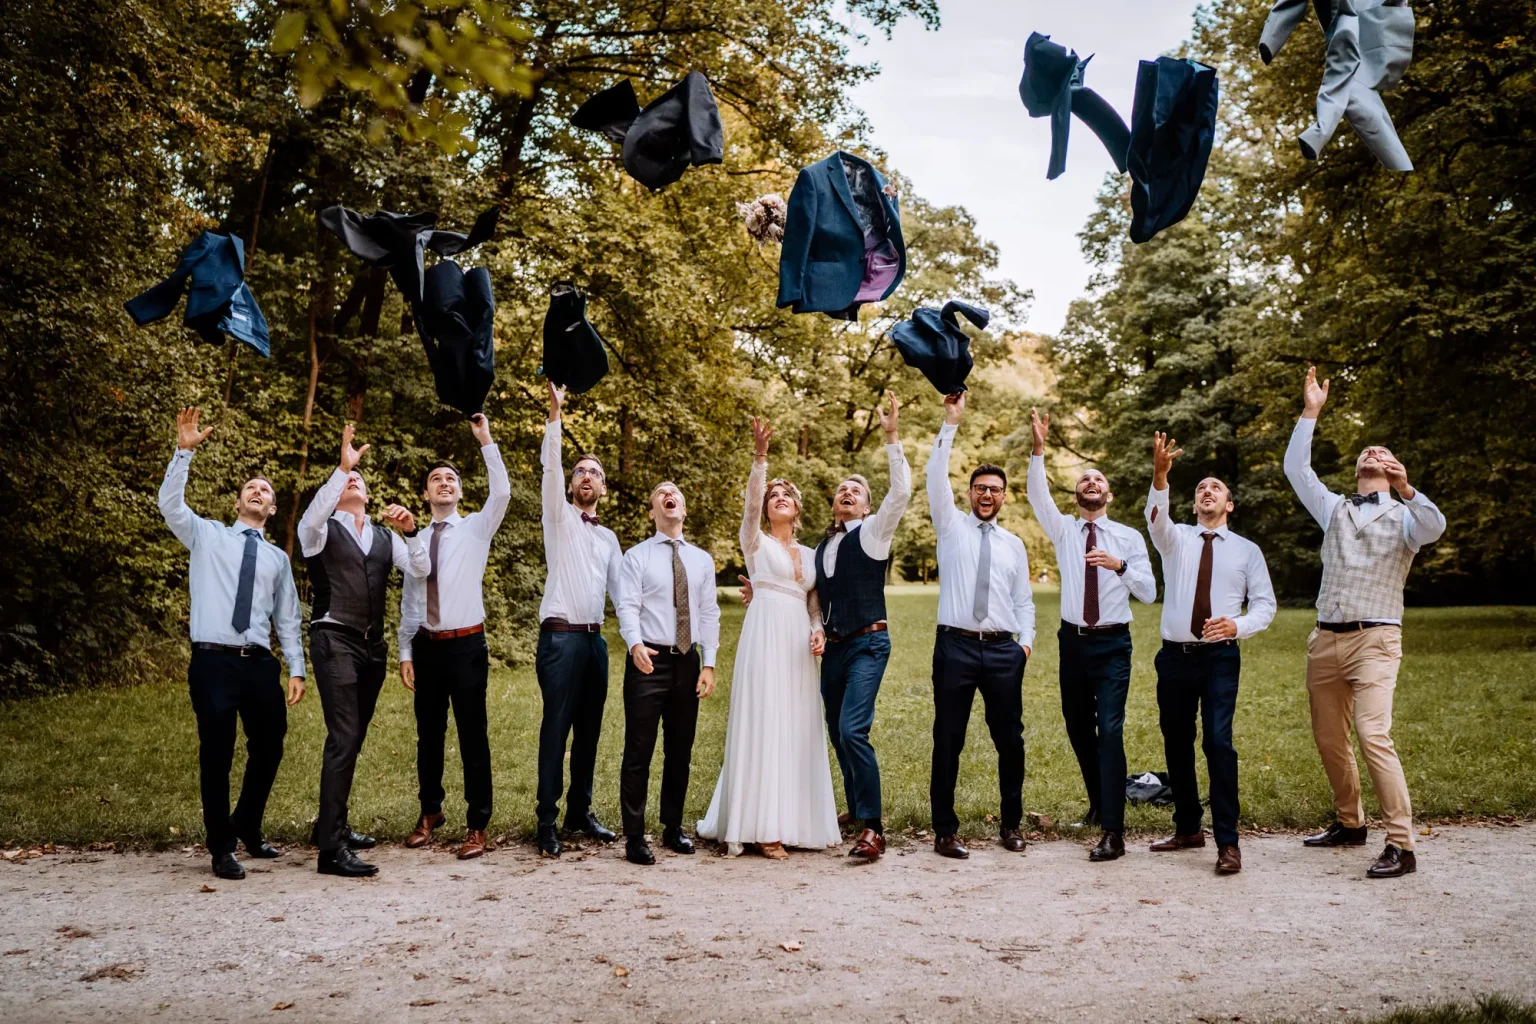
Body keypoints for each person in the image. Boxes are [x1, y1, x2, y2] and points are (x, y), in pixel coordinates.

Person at [1285, 367, 1447, 879]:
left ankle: (1402, 844)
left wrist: (1407, 488)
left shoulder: (1407, 517)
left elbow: (1435, 527)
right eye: (1366, 451)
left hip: (1376, 638)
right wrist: (1310, 412)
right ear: (1357, 468)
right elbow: (1296, 469)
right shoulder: (1333, 508)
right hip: (1324, 639)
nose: (1372, 453)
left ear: (1394, 468)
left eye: (1382, 451)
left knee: (1373, 735)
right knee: (1329, 738)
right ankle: (1350, 822)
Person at [159, 408, 305, 880]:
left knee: (270, 745)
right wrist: (183, 453)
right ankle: (222, 846)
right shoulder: (207, 535)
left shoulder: (277, 559)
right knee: (217, 754)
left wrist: (296, 667)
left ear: (273, 509)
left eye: (266, 491)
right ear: (238, 502)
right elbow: (170, 506)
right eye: (250, 488)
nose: (257, 492)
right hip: (213, 662)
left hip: (258, 664)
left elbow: (287, 617)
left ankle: (247, 822)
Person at [697, 417, 840, 858]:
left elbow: (812, 603)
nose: (778, 498)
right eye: (773, 495)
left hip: (798, 645)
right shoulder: (754, 541)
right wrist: (760, 458)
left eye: (786, 496)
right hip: (763, 636)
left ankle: (793, 821)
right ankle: (762, 826)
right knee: (764, 720)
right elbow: (749, 504)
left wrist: (817, 633)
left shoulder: (811, 554)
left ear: (797, 509)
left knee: (795, 726)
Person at [297, 424, 430, 877]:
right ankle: (331, 851)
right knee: (344, 736)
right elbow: (309, 519)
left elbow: (420, 570)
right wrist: (342, 467)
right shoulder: (319, 531)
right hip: (333, 638)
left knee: (351, 738)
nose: (354, 481)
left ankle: (330, 825)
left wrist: (411, 531)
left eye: (359, 479)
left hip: (373, 647)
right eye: (346, 481)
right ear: (335, 495)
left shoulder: (384, 538)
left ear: (369, 497)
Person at [1143, 432, 1276, 875]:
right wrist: (1160, 476)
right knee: (1176, 741)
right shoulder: (1175, 539)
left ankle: (1228, 842)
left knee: (1218, 743)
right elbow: (1155, 519)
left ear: (1229, 505)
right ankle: (1187, 829)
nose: (1207, 490)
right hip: (1174, 657)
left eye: (1216, 487)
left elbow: (1265, 606)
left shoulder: (1247, 551)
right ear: (1194, 502)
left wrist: (1238, 625)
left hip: (1220, 658)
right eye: (1201, 487)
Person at [1026, 408, 1155, 863]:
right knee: (1079, 728)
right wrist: (1039, 449)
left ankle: (1114, 832)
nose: (1091, 482)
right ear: (1078, 494)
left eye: (1098, 479)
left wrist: (1119, 566)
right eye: (1084, 478)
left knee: (1111, 731)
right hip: (1073, 642)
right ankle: (1100, 804)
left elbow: (1149, 592)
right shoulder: (1064, 529)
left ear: (1109, 494)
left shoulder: (1127, 537)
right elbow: (1036, 494)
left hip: (1113, 643)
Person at [924, 392, 1036, 859]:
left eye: (995, 489)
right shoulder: (950, 526)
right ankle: (944, 831)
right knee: (948, 738)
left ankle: (1011, 825)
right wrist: (951, 422)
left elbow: (1024, 601)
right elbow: (935, 476)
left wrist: (1025, 645)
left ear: (1004, 496)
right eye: (980, 488)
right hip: (956, 648)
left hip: (1004, 651)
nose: (987, 495)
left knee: (1010, 741)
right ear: (970, 493)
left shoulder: (1014, 544)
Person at [398, 413, 509, 860]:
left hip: (467, 645)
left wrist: (485, 440)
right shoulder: (413, 538)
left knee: (472, 734)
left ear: (460, 492)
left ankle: (477, 824)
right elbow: (410, 599)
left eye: (451, 479)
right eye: (436, 479)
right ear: (426, 494)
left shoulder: (476, 528)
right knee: (428, 734)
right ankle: (430, 812)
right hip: (427, 646)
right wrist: (406, 650)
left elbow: (502, 493)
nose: (444, 483)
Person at [813, 389, 910, 861]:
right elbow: (812, 595)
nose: (847, 493)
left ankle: (873, 827)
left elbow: (901, 493)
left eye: (857, 492)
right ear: (834, 503)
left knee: (853, 730)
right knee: (836, 731)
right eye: (841, 490)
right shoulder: (821, 546)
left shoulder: (873, 534)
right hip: (834, 648)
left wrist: (891, 438)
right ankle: (854, 806)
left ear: (868, 508)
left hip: (870, 643)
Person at [534, 382, 624, 858]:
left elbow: (624, 594)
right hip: (560, 639)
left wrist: (639, 638)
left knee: (589, 730)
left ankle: (579, 812)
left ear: (603, 488)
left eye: (595, 472)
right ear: (571, 485)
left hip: (595, 643)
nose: (586, 476)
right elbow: (550, 468)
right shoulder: (558, 517)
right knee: (557, 727)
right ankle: (546, 821)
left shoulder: (608, 538)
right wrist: (555, 416)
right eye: (580, 471)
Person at [614, 482, 722, 865]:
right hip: (648, 660)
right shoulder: (636, 556)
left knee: (680, 750)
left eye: (674, 492)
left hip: (687, 662)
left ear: (684, 510)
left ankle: (672, 827)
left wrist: (708, 663)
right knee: (639, 750)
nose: (668, 495)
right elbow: (627, 605)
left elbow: (709, 612)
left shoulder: (702, 560)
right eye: (660, 493)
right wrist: (634, 644)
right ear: (652, 512)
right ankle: (634, 836)